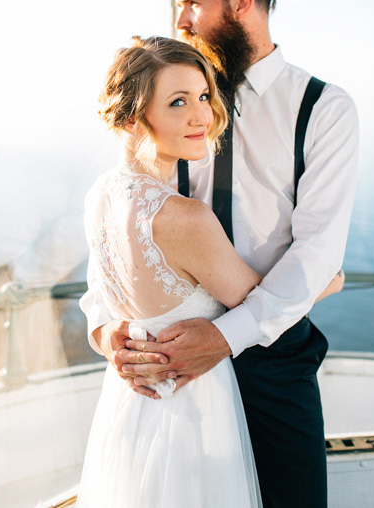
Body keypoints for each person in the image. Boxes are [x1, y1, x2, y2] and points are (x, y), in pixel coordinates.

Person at [89, 0, 359, 508]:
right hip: (174, 355)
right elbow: (117, 235)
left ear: (242, 3)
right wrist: (106, 330)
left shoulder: (324, 108)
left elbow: (317, 250)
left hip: (270, 349)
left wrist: (226, 336)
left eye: (191, 4)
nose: (180, 21)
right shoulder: (181, 102)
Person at [77, 36, 263, 507]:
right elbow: (261, 302)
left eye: (203, 96)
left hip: (127, 409)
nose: (201, 115)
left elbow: (97, 295)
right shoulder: (187, 219)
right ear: (134, 117)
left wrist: (106, 337)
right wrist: (330, 279)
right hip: (190, 417)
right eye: (178, 102)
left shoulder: (98, 196)